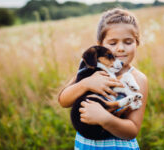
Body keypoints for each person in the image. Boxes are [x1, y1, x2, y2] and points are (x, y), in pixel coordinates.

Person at [58, 8, 148, 150]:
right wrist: (85, 84)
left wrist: (105, 119)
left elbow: (132, 130)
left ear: (137, 43)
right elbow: (63, 101)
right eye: (112, 43)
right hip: (86, 145)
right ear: (100, 45)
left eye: (128, 42)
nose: (120, 48)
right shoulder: (90, 71)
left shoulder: (138, 78)